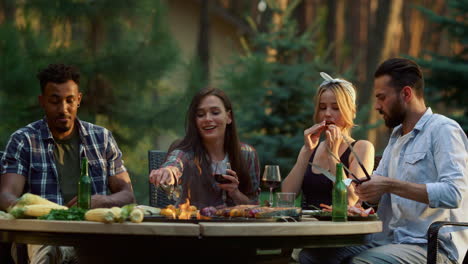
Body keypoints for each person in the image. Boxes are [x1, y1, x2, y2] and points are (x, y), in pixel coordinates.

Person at [300, 58, 468, 264]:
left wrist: (390, 185)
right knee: (311, 257)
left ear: (406, 94)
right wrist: (360, 188)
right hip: (390, 239)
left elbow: (454, 194)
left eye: (382, 98)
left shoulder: (443, 130)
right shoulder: (397, 137)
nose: (377, 106)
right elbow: (373, 188)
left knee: (362, 263)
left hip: (431, 246)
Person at [0, 63, 135, 264]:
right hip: (43, 237)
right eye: (55, 101)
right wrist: (29, 209)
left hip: (94, 237)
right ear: (42, 101)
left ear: (78, 99)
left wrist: (103, 201)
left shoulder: (102, 138)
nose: (63, 109)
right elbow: (5, 194)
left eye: (69, 100)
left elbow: (128, 194)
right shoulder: (24, 140)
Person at [148, 87, 260, 209]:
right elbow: (175, 161)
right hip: (192, 225)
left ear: (228, 117)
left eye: (215, 112)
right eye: (200, 114)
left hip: (233, 226)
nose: (207, 119)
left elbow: (254, 205)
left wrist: (235, 193)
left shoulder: (247, 154)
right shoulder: (186, 151)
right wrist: (168, 170)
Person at [282, 72, 374, 209]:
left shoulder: (362, 148)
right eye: (322, 107)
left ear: (352, 111)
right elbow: (286, 197)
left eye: (336, 108)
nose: (327, 113)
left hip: (338, 227)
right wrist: (307, 150)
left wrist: (333, 155)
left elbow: (349, 200)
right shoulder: (311, 148)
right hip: (308, 225)